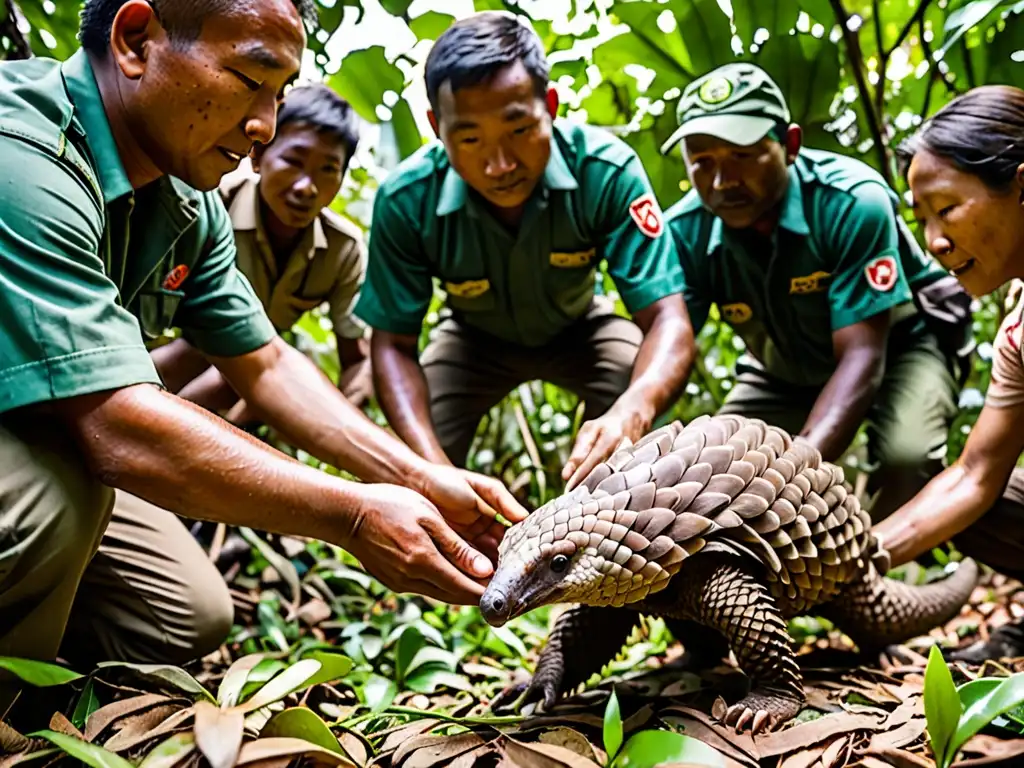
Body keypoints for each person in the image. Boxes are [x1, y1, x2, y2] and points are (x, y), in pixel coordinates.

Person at [0, 0, 527, 705]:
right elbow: (118, 427)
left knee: (184, 614)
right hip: (53, 444)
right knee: (53, 504)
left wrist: (421, 476)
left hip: (44, 427)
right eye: (251, 80)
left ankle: (43, 658)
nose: (265, 127)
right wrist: (353, 515)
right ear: (134, 41)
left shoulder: (186, 201)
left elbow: (267, 363)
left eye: (280, 94)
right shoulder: (23, 156)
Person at [354, 12, 696, 489]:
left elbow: (669, 320)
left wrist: (630, 415)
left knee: (631, 390)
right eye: (470, 139)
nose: (499, 165)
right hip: (471, 341)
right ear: (436, 127)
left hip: (581, 328)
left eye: (518, 130)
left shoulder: (607, 171)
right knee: (417, 459)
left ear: (550, 106)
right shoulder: (407, 199)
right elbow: (391, 347)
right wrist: (432, 470)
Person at [660, 62, 972, 521]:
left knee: (906, 458)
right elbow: (671, 341)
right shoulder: (685, 230)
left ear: (789, 145)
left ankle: (884, 558)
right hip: (781, 369)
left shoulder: (851, 201)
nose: (723, 181)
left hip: (898, 346)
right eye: (703, 162)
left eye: (742, 156)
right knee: (714, 467)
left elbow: (863, 357)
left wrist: (790, 471)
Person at [874, 84, 1024, 663]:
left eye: (948, 208)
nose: (934, 242)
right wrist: (857, 556)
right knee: (974, 504)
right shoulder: (1018, 330)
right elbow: (976, 474)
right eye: (922, 219)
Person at [151, 83, 375, 421]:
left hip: (254, 369)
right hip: (185, 348)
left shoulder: (342, 250)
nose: (306, 187)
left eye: (327, 169)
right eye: (293, 161)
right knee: (194, 360)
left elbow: (356, 356)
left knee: (250, 376)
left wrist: (346, 414)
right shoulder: (209, 207)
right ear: (257, 157)